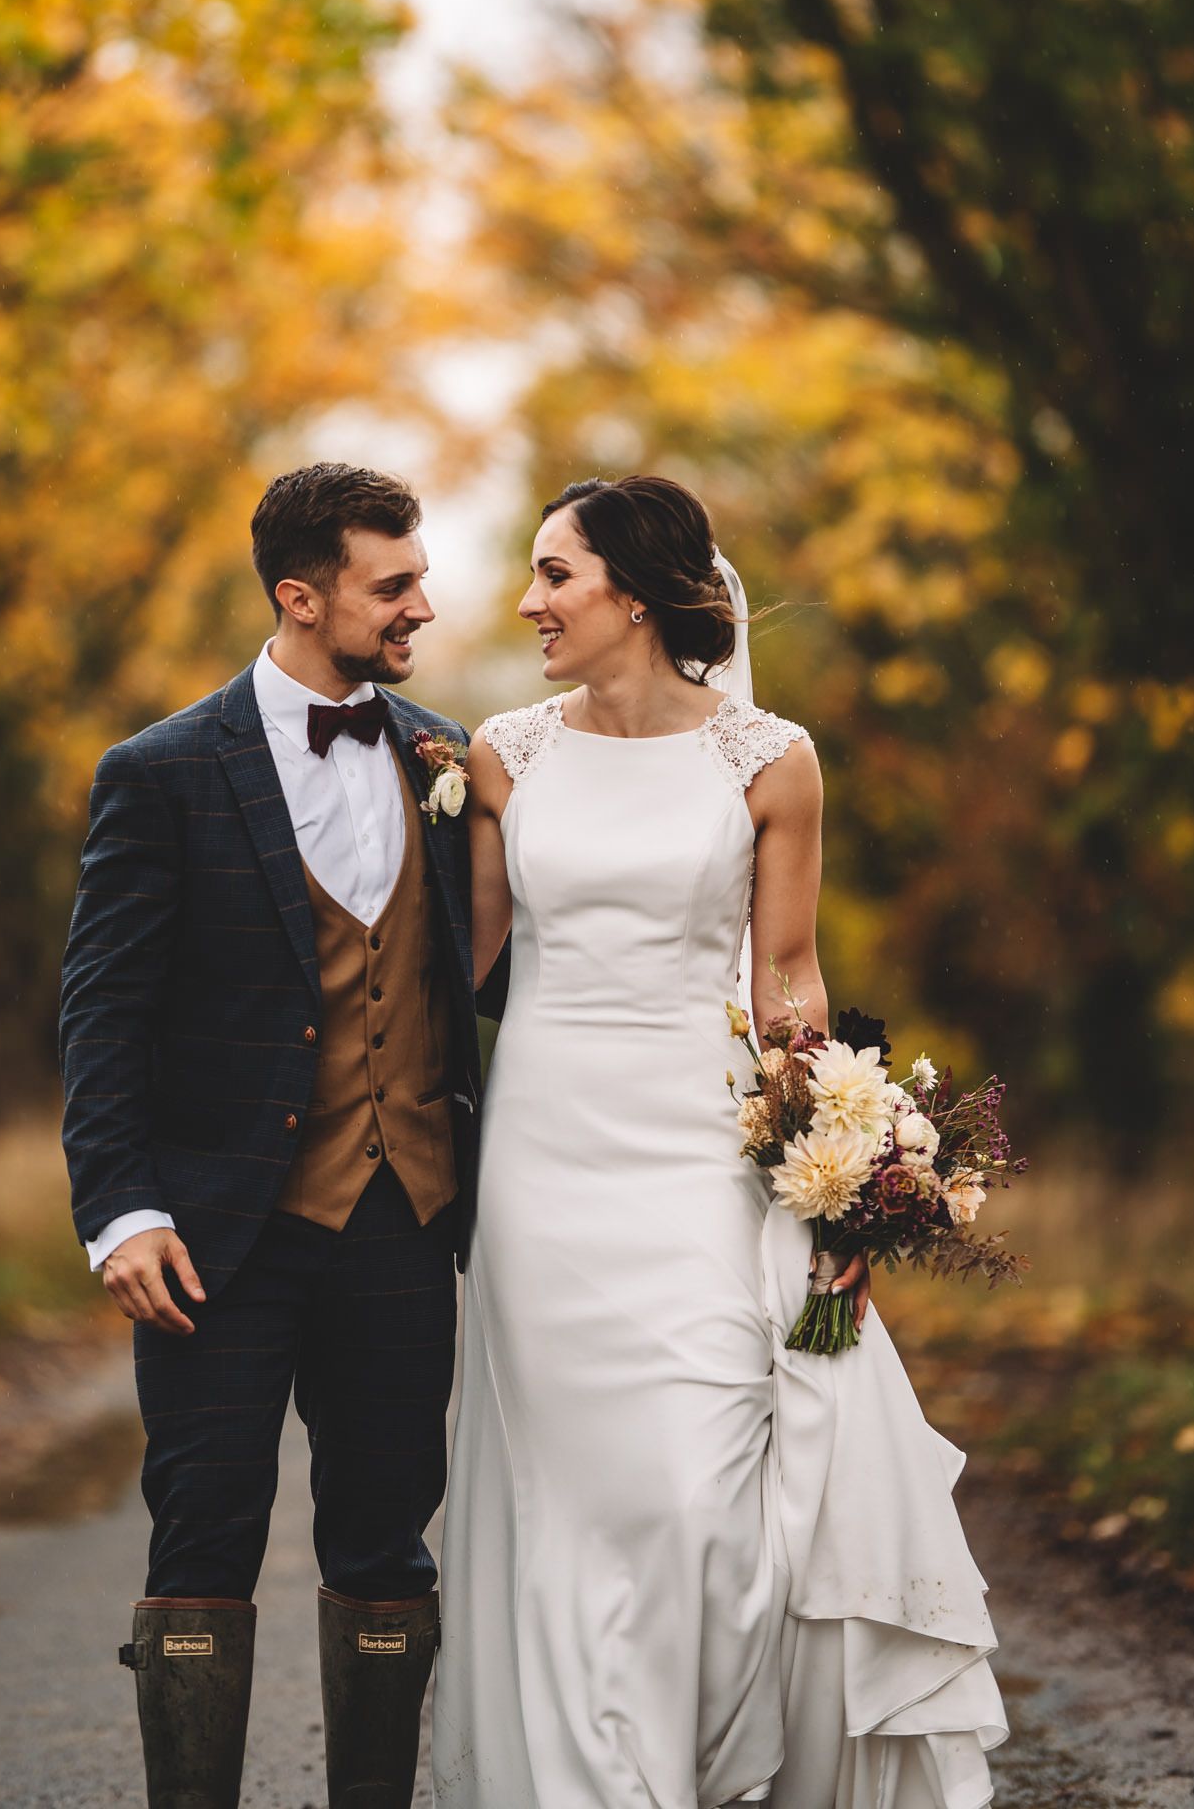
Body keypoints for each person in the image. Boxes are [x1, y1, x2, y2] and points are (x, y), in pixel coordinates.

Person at [432, 474, 1007, 1809]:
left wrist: (848, 1174)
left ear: (632, 592)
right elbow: (461, 966)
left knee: (699, 1495)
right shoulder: (506, 755)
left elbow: (789, 981)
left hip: (697, 1151)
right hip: (546, 1161)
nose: (529, 602)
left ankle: (700, 1770)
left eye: (553, 575)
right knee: (570, 1507)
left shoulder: (771, 760)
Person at [60, 463, 481, 1809]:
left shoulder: (452, 763)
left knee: (384, 1542)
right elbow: (104, 1011)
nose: (425, 602)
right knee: (203, 1533)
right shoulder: (162, 773)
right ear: (301, 597)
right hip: (212, 1238)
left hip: (404, 1225)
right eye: (393, 583)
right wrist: (120, 1211)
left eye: (419, 574)